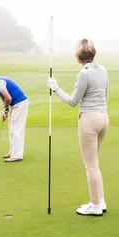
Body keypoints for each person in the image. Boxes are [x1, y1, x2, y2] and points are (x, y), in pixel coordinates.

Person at [47, 39, 109, 216]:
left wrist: (56, 88)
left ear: (78, 56)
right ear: (93, 53)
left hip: (89, 120)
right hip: (104, 118)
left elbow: (73, 101)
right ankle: (101, 200)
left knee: (90, 165)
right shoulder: (103, 69)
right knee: (94, 163)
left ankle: (95, 205)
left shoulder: (83, 73)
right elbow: (105, 95)